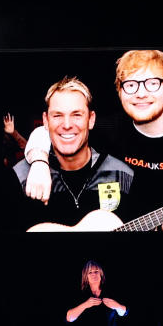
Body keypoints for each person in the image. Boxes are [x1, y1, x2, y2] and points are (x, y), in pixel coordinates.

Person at [22, 50, 163, 230]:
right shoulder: (111, 129)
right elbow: (52, 130)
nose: (141, 93)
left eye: (153, 83)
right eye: (130, 85)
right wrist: (39, 162)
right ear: (120, 91)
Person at [11, 77, 135, 231]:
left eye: (77, 115)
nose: (67, 125)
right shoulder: (19, 177)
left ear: (91, 119)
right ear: (45, 121)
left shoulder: (122, 175)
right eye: (57, 115)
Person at [66, 260, 129, 326]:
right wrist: (85, 305)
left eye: (96, 271)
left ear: (101, 274)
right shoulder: (79, 294)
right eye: (90, 272)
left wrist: (117, 305)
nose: (93, 274)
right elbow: (69, 318)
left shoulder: (111, 292)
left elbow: (124, 312)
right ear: (85, 276)